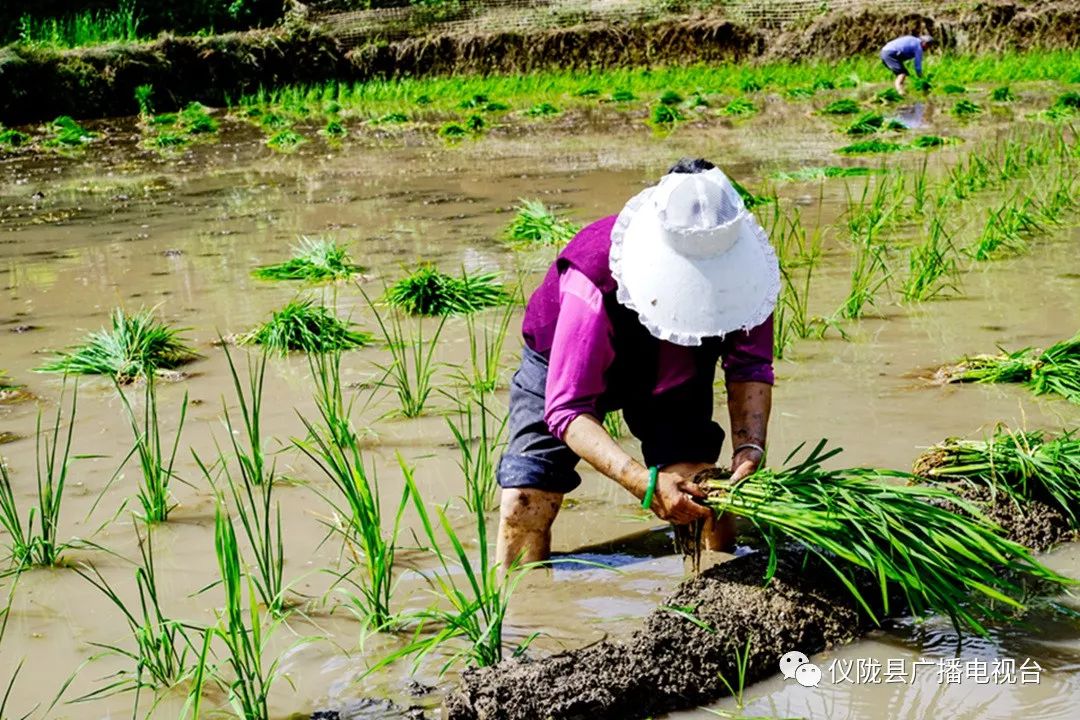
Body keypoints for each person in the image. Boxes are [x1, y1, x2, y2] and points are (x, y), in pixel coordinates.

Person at [495, 158, 779, 569]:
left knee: (706, 491)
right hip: (561, 362)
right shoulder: (593, 274)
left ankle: (719, 596)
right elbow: (567, 409)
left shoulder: (750, 277)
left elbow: (749, 368)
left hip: (674, 369)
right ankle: (522, 612)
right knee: (525, 501)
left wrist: (749, 447)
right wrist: (644, 484)